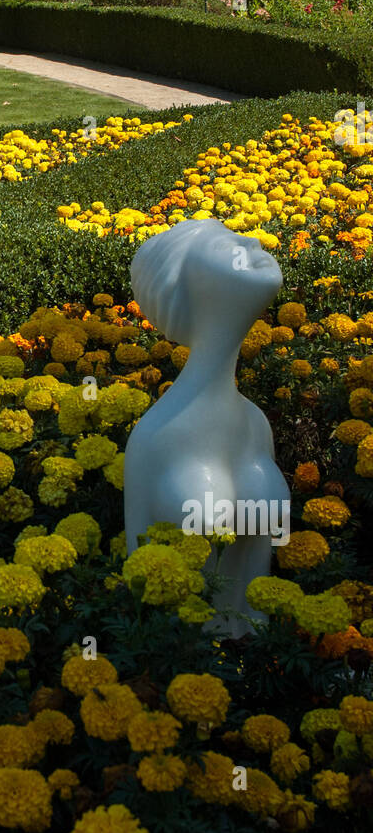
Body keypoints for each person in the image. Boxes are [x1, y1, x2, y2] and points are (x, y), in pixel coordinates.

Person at [123, 218, 289, 637]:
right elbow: (137, 589)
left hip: (264, 680)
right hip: (187, 675)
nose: (251, 240)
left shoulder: (255, 425)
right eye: (227, 243)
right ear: (187, 287)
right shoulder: (154, 438)